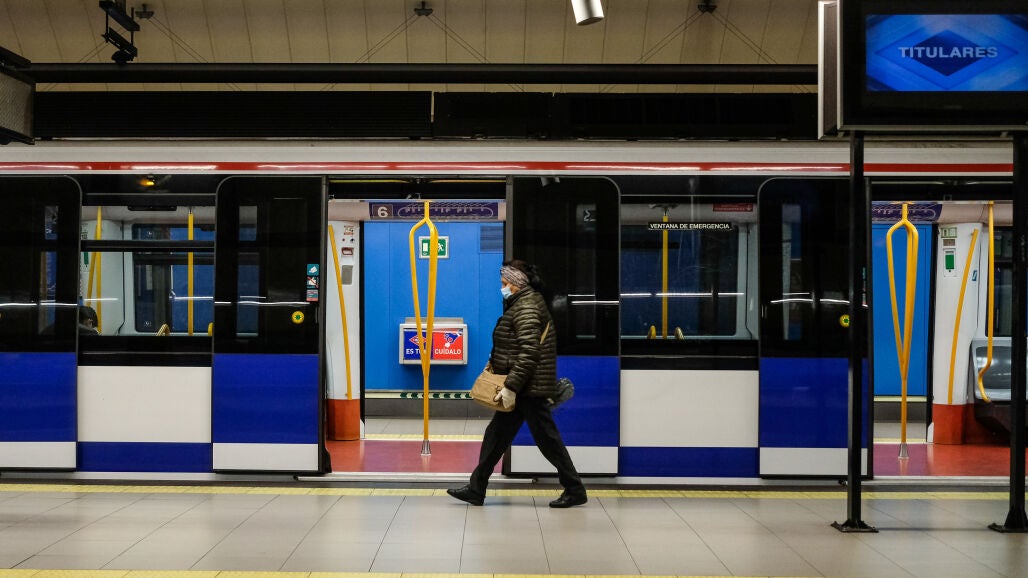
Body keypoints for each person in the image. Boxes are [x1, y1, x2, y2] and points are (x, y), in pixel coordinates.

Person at [448, 259, 587, 508]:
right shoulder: (521, 303)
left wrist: (511, 386)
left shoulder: (527, 307)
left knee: (547, 440)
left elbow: (529, 352)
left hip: (527, 388)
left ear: (516, 283)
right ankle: (476, 488)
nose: (501, 288)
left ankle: (575, 489)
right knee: (496, 436)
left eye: (504, 283)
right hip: (522, 386)